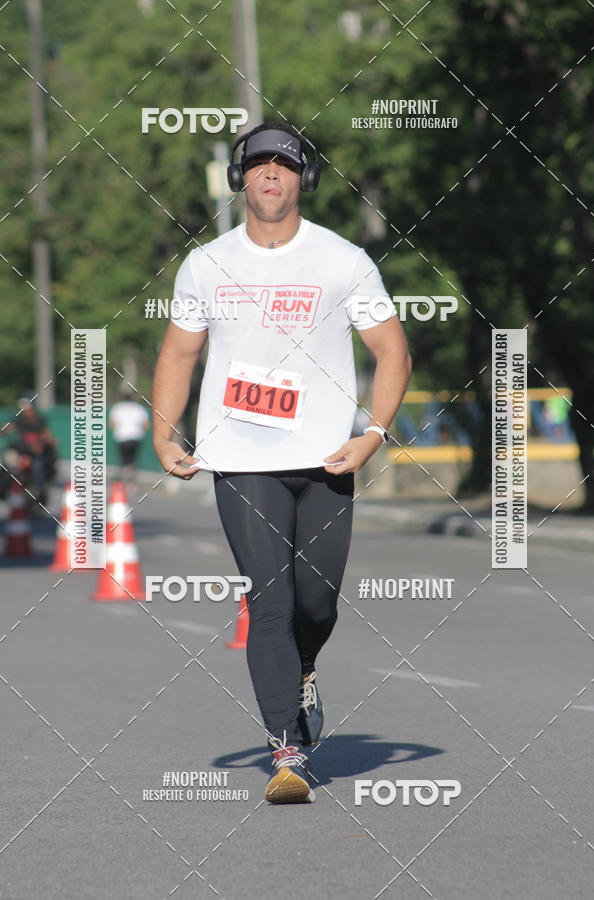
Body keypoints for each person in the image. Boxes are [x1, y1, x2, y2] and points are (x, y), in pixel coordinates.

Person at [152, 122, 412, 804]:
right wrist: (164, 434)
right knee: (268, 600)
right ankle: (286, 751)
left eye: (286, 166)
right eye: (260, 164)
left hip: (328, 457)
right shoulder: (206, 265)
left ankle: (303, 666)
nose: (272, 174)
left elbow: (392, 351)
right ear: (240, 177)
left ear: (304, 179)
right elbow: (179, 354)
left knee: (316, 603)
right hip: (241, 457)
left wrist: (375, 433)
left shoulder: (342, 260)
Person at [3, 393, 57, 506]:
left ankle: (40, 496)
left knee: (38, 467)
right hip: (22, 453)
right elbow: (8, 428)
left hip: (36, 455)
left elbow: (47, 436)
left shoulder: (39, 421)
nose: (25, 411)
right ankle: (5, 491)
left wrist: (45, 442)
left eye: (27, 407)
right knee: (7, 462)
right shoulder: (20, 420)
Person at [108, 391, 150, 489]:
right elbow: (146, 424)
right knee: (132, 460)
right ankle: (131, 482)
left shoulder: (117, 408)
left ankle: (123, 481)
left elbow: (111, 424)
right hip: (135, 437)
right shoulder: (139, 408)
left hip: (122, 437)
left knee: (123, 460)